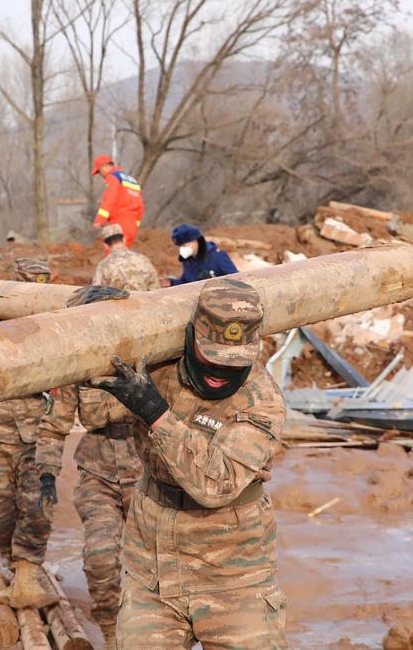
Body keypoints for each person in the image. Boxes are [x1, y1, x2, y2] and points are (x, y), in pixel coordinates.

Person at [93, 277, 288, 649]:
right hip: (152, 572)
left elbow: (217, 484)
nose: (220, 373)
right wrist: (95, 317)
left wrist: (155, 412)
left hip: (234, 579)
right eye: (211, 356)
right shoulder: (159, 368)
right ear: (190, 338)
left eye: (234, 363)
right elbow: (89, 395)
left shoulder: (262, 402)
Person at [35, 241, 150, 648]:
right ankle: (115, 635)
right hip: (99, 473)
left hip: (151, 476)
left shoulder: (164, 352)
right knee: (102, 559)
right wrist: (47, 473)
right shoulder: (81, 355)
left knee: (156, 567)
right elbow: (55, 422)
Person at [0, 257, 58, 610]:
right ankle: (10, 564)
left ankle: (28, 573)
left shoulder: (55, 326)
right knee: (0, 510)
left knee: (37, 506)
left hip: (38, 431)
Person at [90, 154, 145, 248]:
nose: (101, 174)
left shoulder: (112, 177)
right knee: (125, 257)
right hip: (132, 225)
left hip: (119, 224)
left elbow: (109, 200)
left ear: (106, 166)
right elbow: (141, 205)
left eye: (100, 171)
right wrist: (136, 224)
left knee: (114, 257)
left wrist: (100, 220)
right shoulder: (132, 180)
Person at [93, 223, 161, 292]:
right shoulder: (143, 259)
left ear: (105, 245)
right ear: (124, 239)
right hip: (144, 302)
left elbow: (96, 294)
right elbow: (155, 290)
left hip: (117, 302)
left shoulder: (103, 265)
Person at [168, 223, 238, 286]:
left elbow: (236, 281)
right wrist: (172, 283)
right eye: (180, 246)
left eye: (184, 245)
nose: (181, 248)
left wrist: (213, 282)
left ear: (195, 241)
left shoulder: (218, 256)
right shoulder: (187, 260)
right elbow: (186, 282)